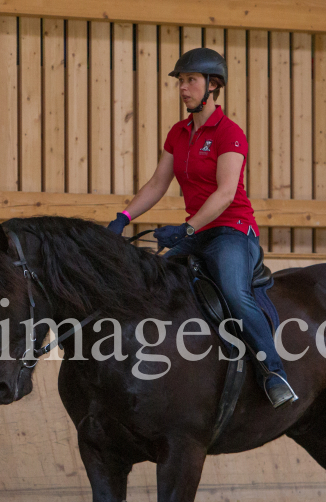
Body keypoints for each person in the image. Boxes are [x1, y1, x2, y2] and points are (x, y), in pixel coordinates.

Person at [105, 47, 297, 408]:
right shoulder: (178, 133)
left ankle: (274, 372)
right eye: (180, 81)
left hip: (232, 231)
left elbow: (225, 194)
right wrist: (123, 218)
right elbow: (157, 184)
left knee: (234, 291)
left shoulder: (229, 133)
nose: (183, 88)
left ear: (213, 86)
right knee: (155, 282)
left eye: (190, 80)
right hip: (197, 233)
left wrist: (185, 229)